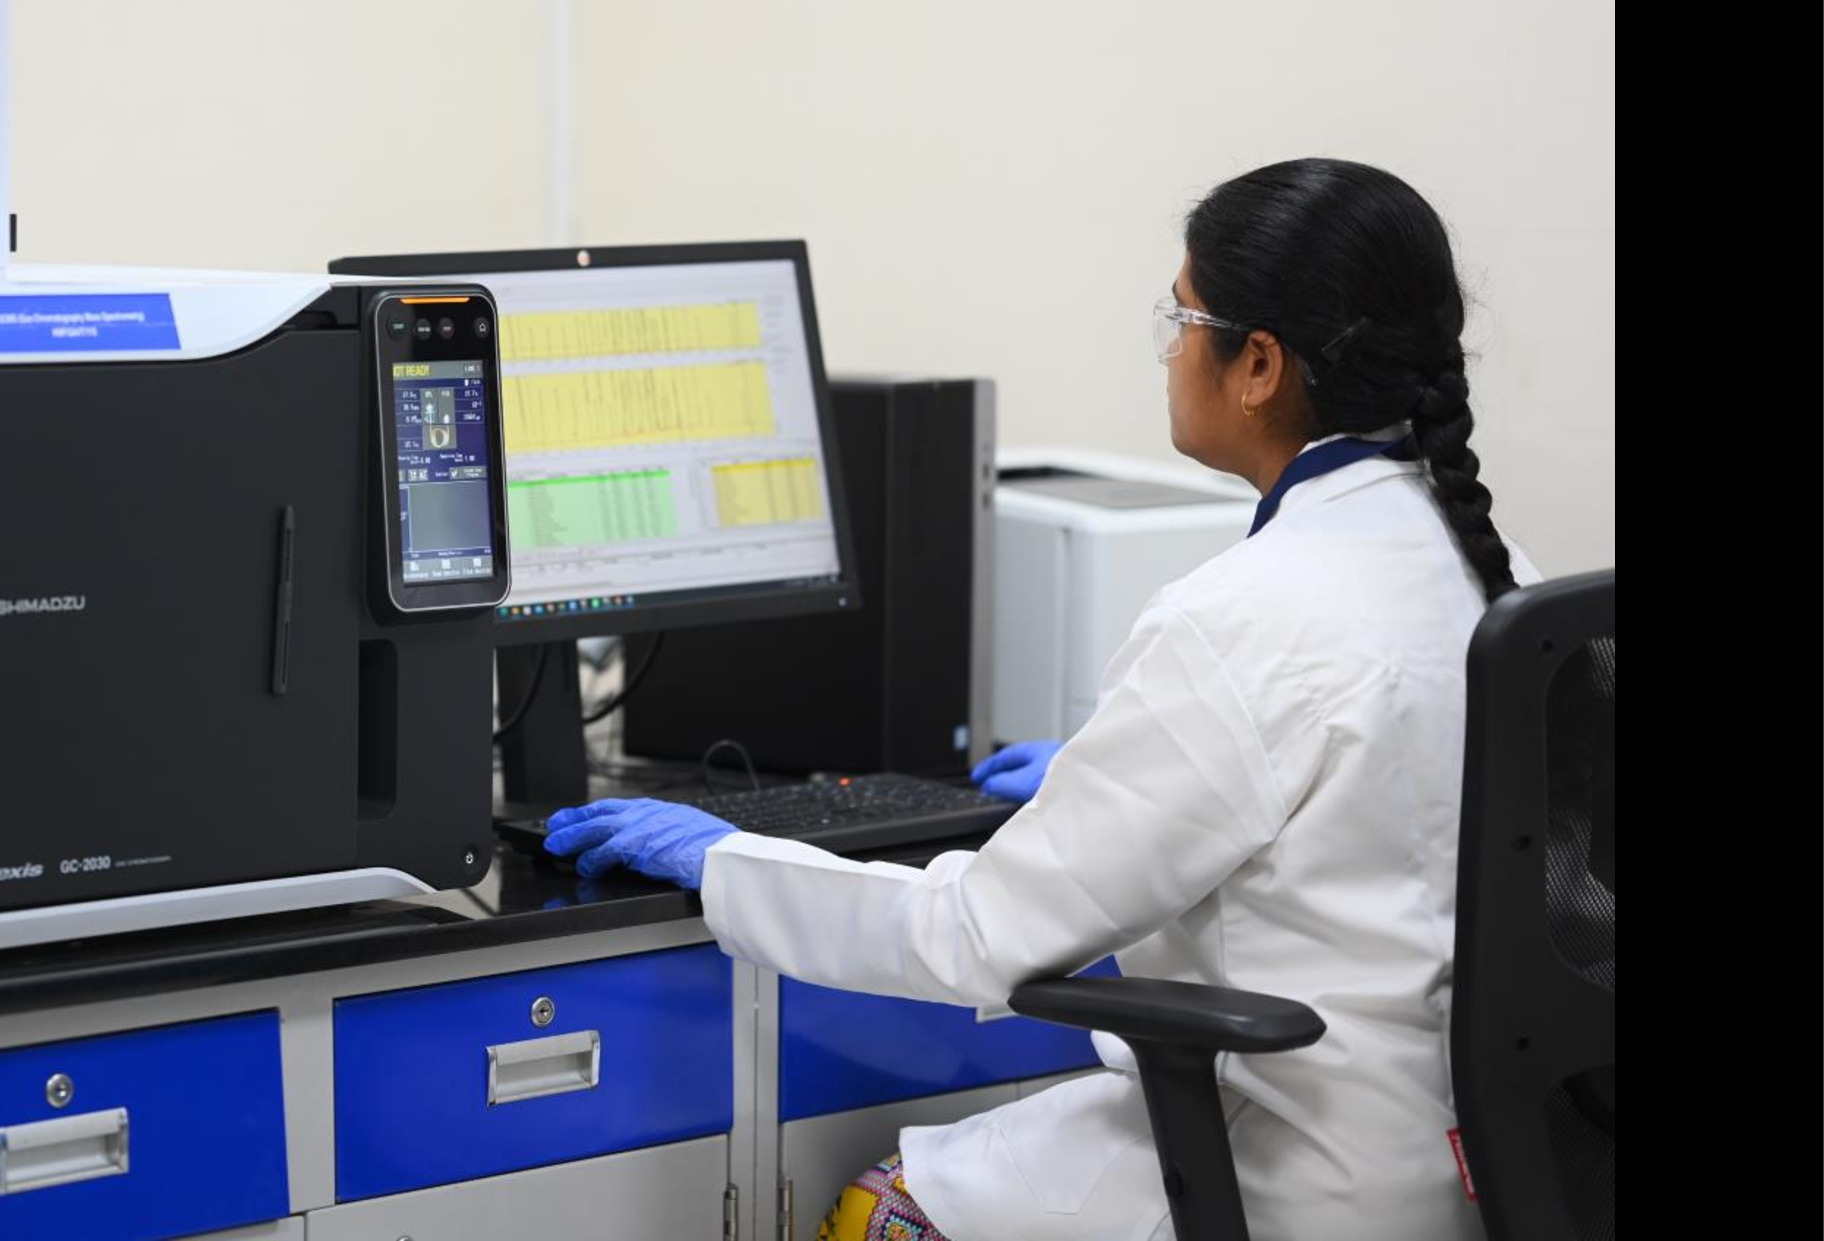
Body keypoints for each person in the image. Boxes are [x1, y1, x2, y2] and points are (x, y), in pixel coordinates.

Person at [547, 158, 1541, 1240]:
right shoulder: (1494, 574)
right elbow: (1376, 817)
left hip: (1289, 1175)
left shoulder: (1239, 618)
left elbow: (976, 934)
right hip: (1487, 1170)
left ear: (1258, 364)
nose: (1170, 350)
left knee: (884, 1209)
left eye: (1182, 319)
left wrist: (725, 862)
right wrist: (1098, 779)